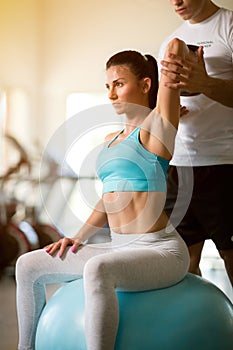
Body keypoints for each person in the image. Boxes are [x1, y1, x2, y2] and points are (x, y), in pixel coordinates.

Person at [16, 38, 192, 350]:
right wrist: (79, 236)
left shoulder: (157, 131)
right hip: (120, 246)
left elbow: (175, 46)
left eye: (119, 84)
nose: (110, 94)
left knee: (96, 269)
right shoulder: (112, 139)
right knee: (28, 265)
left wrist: (175, 64)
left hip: (159, 250)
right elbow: (109, 197)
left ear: (146, 84)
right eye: (108, 85)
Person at [158, 0, 233, 285]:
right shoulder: (170, 40)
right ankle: (194, 330)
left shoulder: (229, 26)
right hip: (181, 167)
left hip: (225, 164)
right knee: (181, 264)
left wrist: (206, 84)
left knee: (231, 257)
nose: (176, 1)